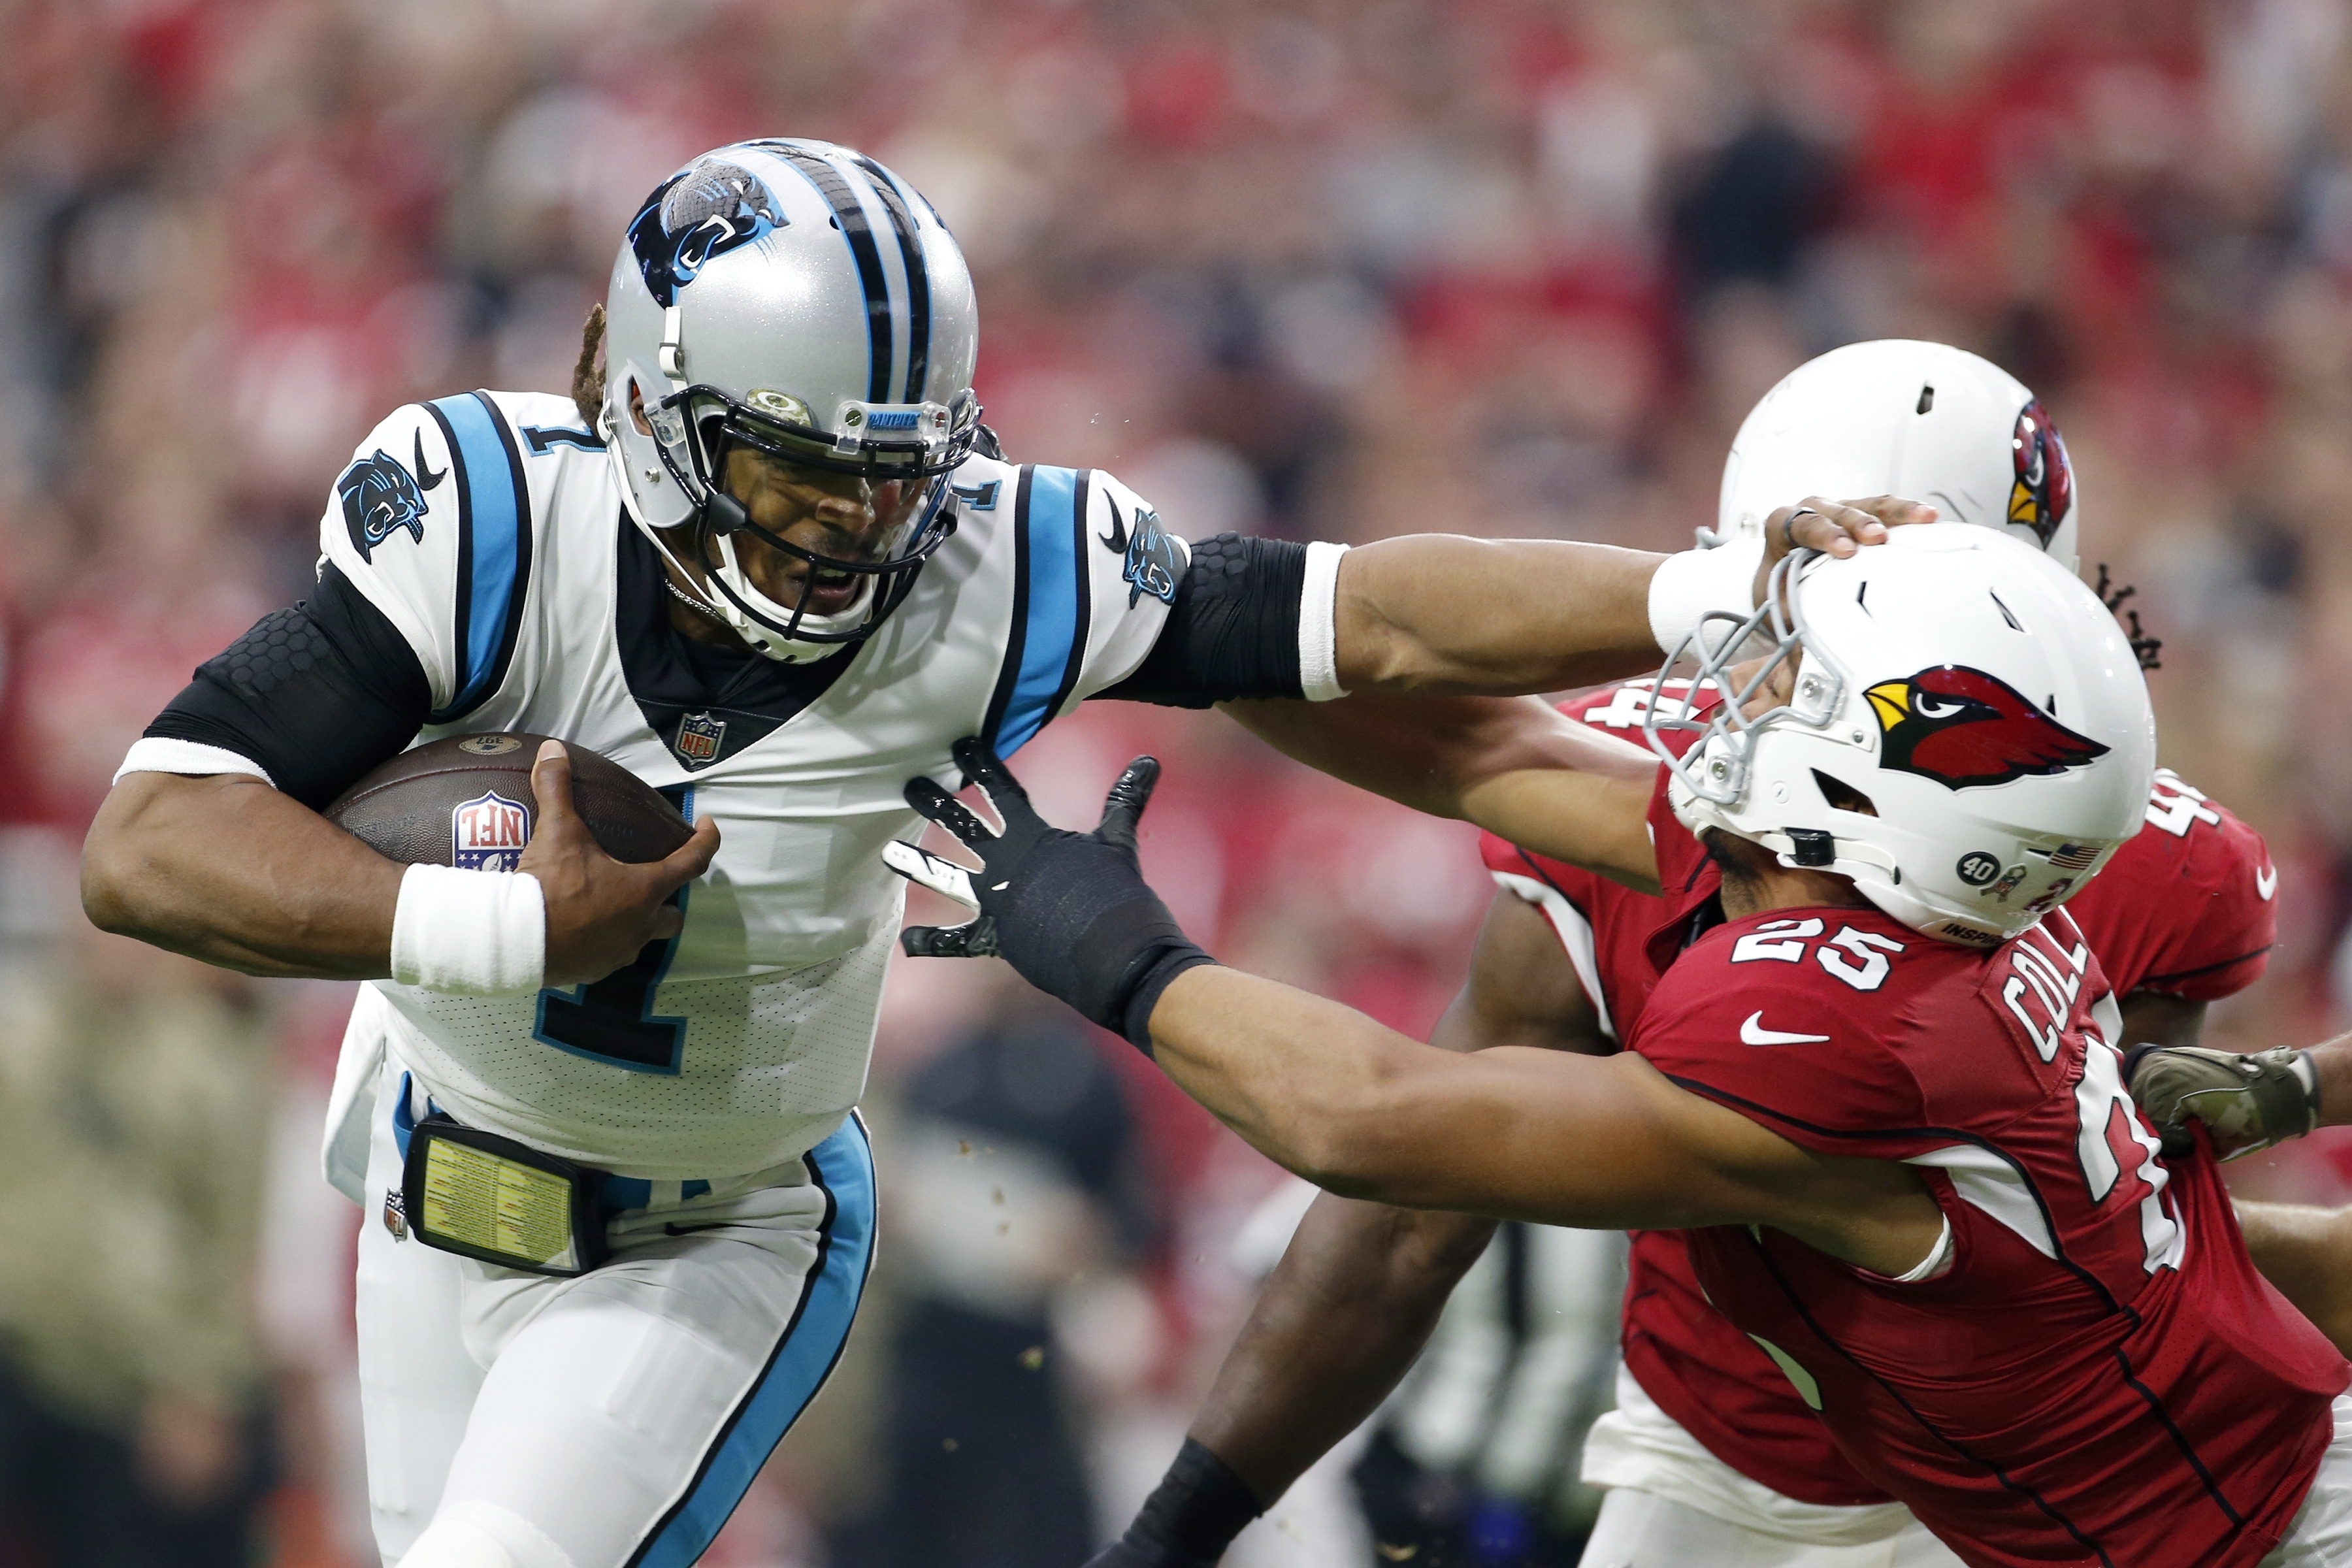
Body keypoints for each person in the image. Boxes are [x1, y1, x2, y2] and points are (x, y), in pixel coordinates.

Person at [76, 139, 1897, 1568]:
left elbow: (1368, 620)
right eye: (800, 478)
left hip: (709, 1234)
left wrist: (1710, 590)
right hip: (425, 1181)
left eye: (894, 478)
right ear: (646, 405)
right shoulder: (482, 527)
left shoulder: (991, 566)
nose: (855, 538)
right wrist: (486, 924)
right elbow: (149, 842)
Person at [890, 523, 2352, 1568]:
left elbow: (1382, 1123)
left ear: (1893, 767)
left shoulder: (1854, 1025)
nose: (1744, 686)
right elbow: (1481, 754)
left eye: (1802, 677)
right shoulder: (1876, 876)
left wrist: (1110, 946)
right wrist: (1152, 614)